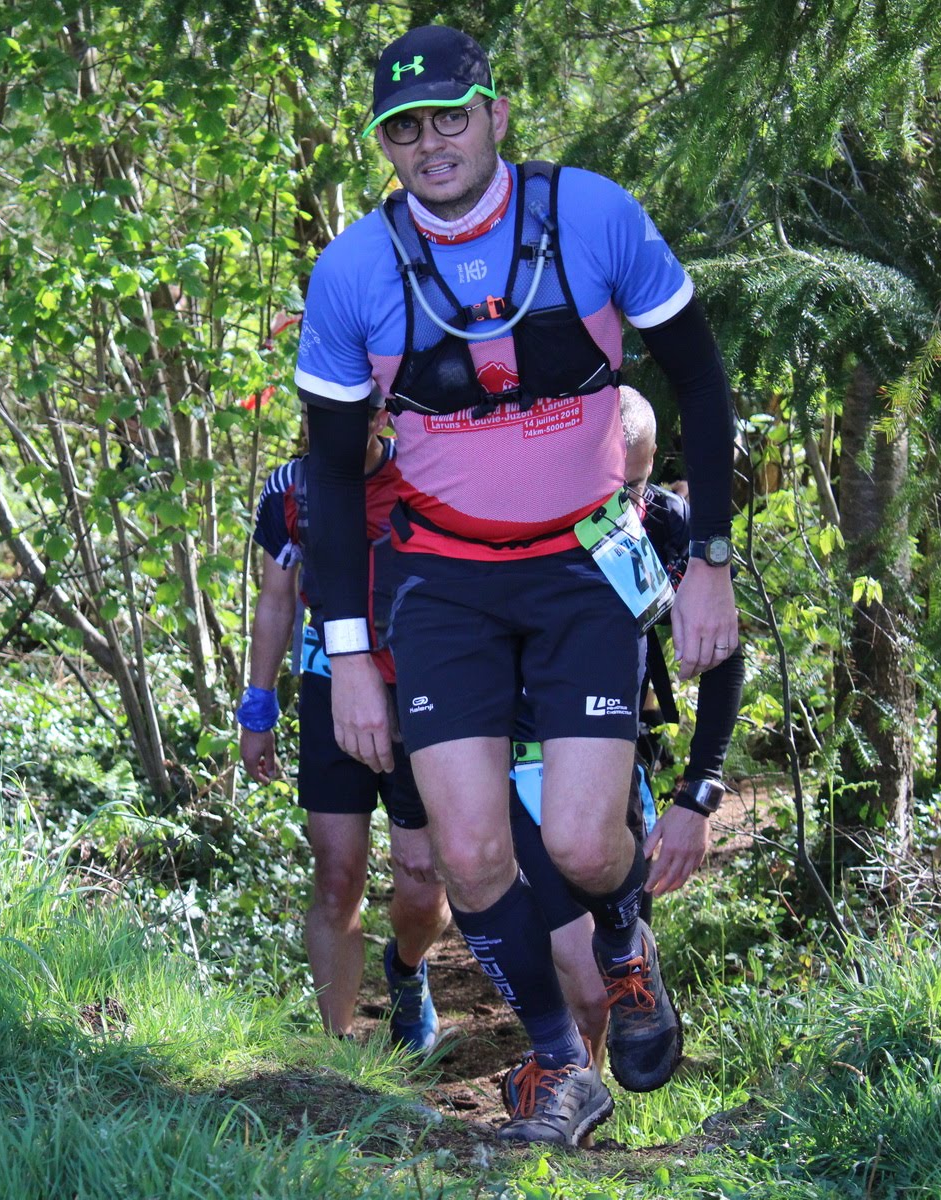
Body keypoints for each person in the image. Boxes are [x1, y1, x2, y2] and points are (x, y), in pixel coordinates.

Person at [296, 25, 740, 1145]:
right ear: (385, 147)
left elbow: (700, 380)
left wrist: (709, 563)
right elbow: (334, 480)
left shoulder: (592, 216)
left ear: (496, 114)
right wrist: (348, 653)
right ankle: (556, 1065)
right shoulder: (353, 272)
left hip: (580, 565)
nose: (431, 143)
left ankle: (625, 946)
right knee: (472, 851)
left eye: (451, 116)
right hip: (441, 579)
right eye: (404, 129)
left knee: (587, 847)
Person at [502, 387, 747, 1114]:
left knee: (601, 983)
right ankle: (565, 1088)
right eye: (612, 484)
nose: (626, 502)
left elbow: (722, 654)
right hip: (513, 756)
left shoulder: (662, 525)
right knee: (580, 979)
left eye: (638, 482)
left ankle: (578, 1117)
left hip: (609, 758)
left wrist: (698, 794)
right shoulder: (512, 511)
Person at [238, 406, 451, 1052]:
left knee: (422, 882)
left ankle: (407, 971)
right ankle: (338, 1054)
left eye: (343, 412)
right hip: (329, 685)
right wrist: (258, 708)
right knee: (336, 877)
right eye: (314, 410)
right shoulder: (290, 487)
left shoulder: (424, 471)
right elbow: (275, 599)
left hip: (418, 688)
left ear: (381, 416)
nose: (322, 424)